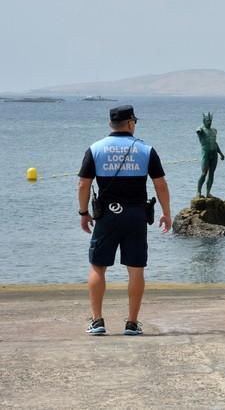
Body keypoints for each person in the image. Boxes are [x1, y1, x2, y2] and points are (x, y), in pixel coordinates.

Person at [78, 105, 172, 336]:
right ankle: (131, 323)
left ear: (111, 124)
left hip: (107, 216)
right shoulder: (146, 150)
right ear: (130, 123)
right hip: (136, 215)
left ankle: (98, 321)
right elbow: (160, 184)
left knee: (98, 266)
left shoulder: (95, 149)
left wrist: (83, 213)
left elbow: (83, 184)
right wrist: (166, 213)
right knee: (136, 269)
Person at [196, 112, 225, 197]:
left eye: (210, 120)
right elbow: (198, 130)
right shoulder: (201, 130)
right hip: (206, 154)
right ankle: (198, 191)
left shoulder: (214, 131)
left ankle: (208, 192)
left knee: (211, 173)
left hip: (214, 154)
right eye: (207, 120)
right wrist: (200, 128)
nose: (209, 122)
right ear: (204, 121)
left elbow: (215, 143)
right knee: (204, 173)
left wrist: (221, 153)